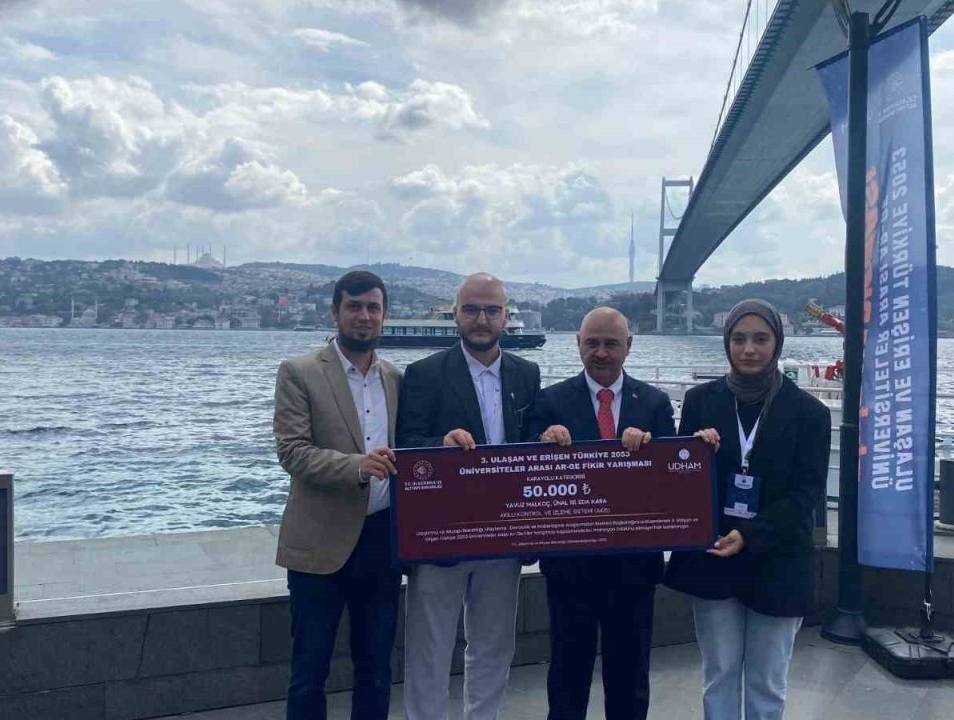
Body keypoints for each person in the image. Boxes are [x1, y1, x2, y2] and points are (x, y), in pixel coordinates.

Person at [662, 299, 831, 720]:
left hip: (778, 560)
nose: (749, 349)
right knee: (718, 673)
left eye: (760, 339)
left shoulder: (810, 413)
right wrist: (694, 452)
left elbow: (807, 493)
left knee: (767, 682)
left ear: (777, 343)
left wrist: (751, 534)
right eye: (738, 339)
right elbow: (682, 482)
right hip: (715, 555)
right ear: (726, 342)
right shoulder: (700, 401)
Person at [396, 272, 542, 720]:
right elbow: (405, 445)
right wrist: (439, 445)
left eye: (492, 310)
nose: (482, 320)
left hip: (504, 532)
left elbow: (532, 443)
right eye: (472, 310)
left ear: (506, 316)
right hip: (442, 533)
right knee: (429, 647)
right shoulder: (423, 374)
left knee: (494, 645)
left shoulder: (527, 373)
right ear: (456, 314)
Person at [527, 307, 675, 720]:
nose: (601, 352)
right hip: (569, 566)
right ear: (578, 344)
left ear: (629, 345)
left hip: (634, 567)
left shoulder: (655, 403)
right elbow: (527, 475)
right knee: (566, 676)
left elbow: (672, 482)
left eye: (611, 343)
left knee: (630, 678)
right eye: (592, 343)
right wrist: (543, 441)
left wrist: (651, 451)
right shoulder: (550, 401)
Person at [272, 270, 403, 720]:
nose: (364, 316)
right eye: (354, 306)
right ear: (335, 311)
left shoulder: (396, 378)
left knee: (377, 669)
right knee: (309, 671)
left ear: (384, 315)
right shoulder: (299, 372)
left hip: (381, 543)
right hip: (318, 544)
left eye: (373, 307)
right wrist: (358, 467)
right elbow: (293, 452)